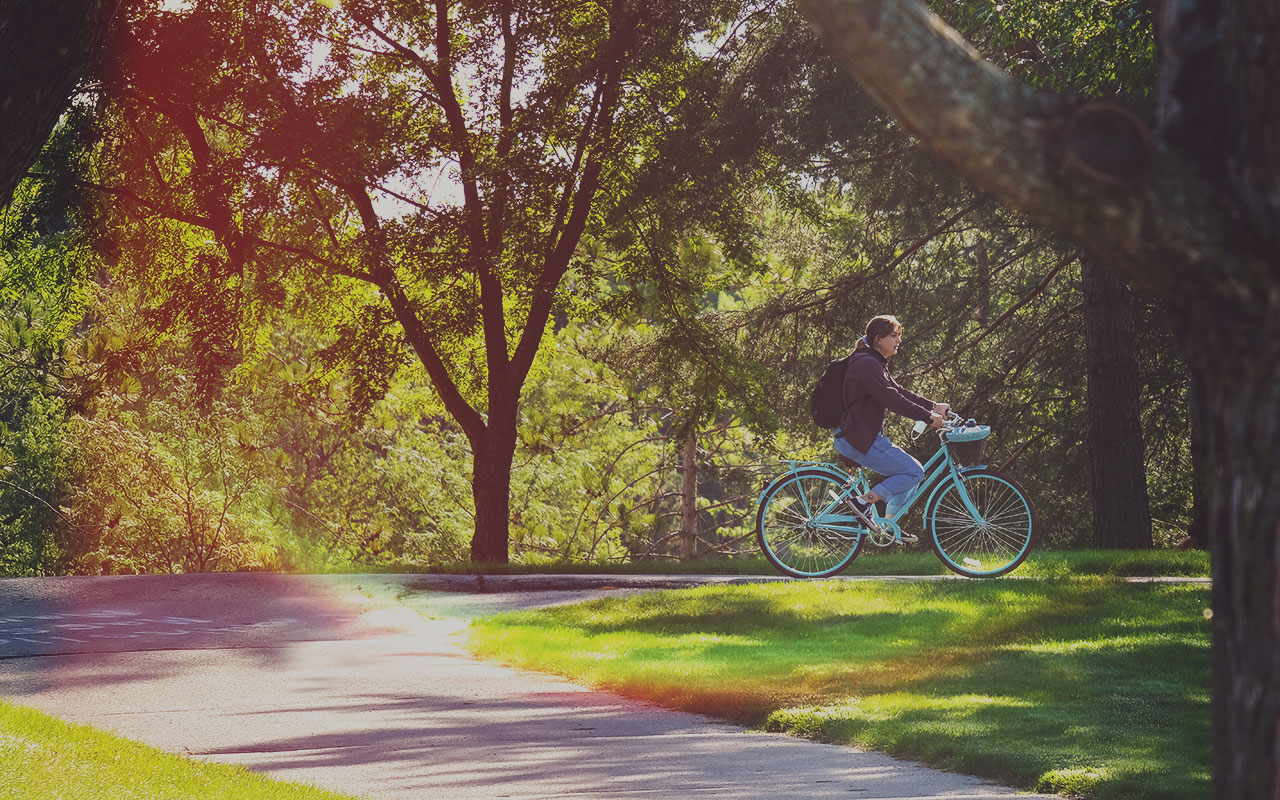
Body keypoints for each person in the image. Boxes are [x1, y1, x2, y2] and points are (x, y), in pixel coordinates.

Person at [833, 315, 949, 540]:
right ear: (878, 339)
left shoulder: (873, 362)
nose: (898, 341)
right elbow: (891, 399)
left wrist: (933, 406)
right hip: (856, 438)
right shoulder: (867, 363)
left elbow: (899, 391)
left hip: (862, 437)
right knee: (913, 471)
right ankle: (861, 502)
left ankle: (889, 527)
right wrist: (928, 417)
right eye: (894, 336)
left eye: (899, 336)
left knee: (910, 473)